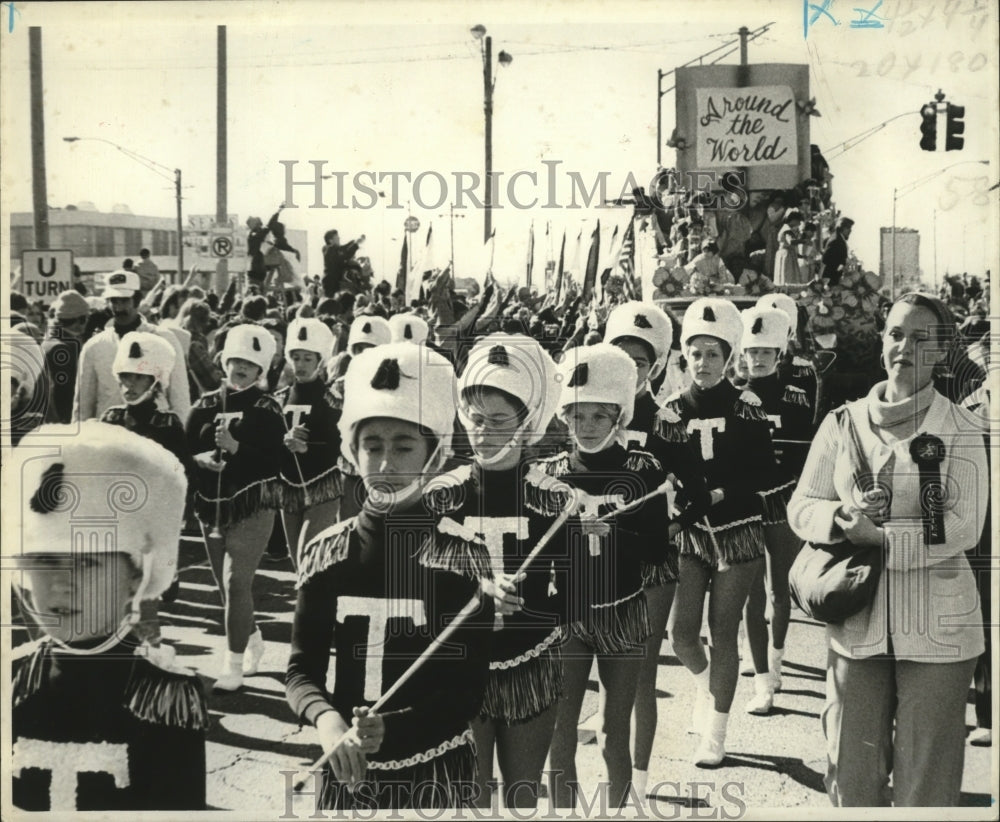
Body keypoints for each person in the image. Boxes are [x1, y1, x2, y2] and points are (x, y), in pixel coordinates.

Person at [788, 292, 988, 807]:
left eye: (921, 338)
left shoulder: (963, 427)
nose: (905, 347)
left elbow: (965, 526)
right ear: (883, 342)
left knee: (927, 784)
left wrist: (884, 539)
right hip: (857, 621)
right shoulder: (842, 423)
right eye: (896, 334)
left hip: (941, 630)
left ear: (943, 352)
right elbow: (802, 505)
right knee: (850, 777)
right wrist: (839, 519)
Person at [286, 343, 493, 810]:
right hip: (348, 769)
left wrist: (396, 726)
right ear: (351, 453)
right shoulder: (325, 553)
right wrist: (327, 722)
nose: (385, 465)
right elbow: (302, 670)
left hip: (435, 769)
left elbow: (467, 689)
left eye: (404, 447)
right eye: (372, 446)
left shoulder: (463, 555)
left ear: (435, 454)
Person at [10, 423, 207, 811]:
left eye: (87, 563)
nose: (63, 583)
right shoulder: (12, 681)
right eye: (47, 560)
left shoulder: (165, 697)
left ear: (135, 578)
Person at [539, 343, 673, 809]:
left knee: (614, 732)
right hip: (568, 614)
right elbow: (535, 559)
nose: (587, 427)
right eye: (577, 416)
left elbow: (658, 552)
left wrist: (618, 532)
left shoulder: (645, 471)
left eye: (599, 417)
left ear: (620, 417)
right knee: (560, 731)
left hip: (624, 611)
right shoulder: (547, 477)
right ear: (563, 417)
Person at [445, 333, 569, 810]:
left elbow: (574, 598)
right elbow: (419, 590)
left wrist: (534, 606)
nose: (484, 432)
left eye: (499, 421)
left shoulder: (555, 498)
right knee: (469, 800)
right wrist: (476, 596)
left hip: (529, 662)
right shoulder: (443, 494)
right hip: (461, 665)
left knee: (520, 799)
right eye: (475, 419)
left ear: (527, 424)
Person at [657, 297, 777, 767]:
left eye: (712, 353)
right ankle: (709, 689)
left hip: (737, 532)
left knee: (721, 633)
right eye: (695, 353)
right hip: (691, 533)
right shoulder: (670, 410)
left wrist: (721, 494)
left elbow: (763, 473)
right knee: (681, 634)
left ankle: (717, 732)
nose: (702, 363)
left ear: (728, 358)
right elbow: (661, 471)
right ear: (684, 355)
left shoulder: (746, 404)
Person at [603, 301, 712, 798]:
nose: (629, 369)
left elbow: (699, 489)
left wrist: (672, 526)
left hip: (650, 562)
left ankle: (640, 783)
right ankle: (609, 776)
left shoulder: (667, 422)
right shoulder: (585, 414)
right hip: (594, 561)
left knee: (641, 672)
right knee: (595, 672)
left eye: (640, 362)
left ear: (658, 367)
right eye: (619, 356)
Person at [185, 324, 286, 691]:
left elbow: (276, 461)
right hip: (210, 505)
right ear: (223, 362)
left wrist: (236, 448)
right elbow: (183, 448)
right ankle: (252, 636)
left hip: (252, 504)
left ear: (261, 369)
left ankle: (232, 666)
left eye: (249, 363)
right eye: (235, 361)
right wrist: (199, 459)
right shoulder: (206, 403)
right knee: (224, 588)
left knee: (236, 581)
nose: (241, 368)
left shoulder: (268, 408)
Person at [734, 307, 811, 715]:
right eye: (751, 351)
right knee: (750, 593)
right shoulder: (733, 396)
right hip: (746, 502)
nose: (758, 359)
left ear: (779, 353)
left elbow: (801, 454)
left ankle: (777, 661)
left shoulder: (796, 395)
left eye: (766, 351)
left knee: (780, 590)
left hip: (781, 498)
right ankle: (762, 682)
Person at [73, 270, 190, 423]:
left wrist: (181, 437)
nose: (118, 307)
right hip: (109, 436)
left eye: (124, 300)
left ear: (137, 300)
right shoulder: (95, 346)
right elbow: (82, 405)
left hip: (155, 433)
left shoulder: (164, 339)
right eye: (114, 301)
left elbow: (179, 395)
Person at [276, 318, 342, 567]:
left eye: (308, 359)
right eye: (297, 358)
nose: (301, 364)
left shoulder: (331, 399)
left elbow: (341, 446)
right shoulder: (279, 398)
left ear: (319, 361)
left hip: (323, 485)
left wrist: (308, 448)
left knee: (309, 555)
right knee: (297, 562)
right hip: (289, 486)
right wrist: (281, 442)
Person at [42, 290, 90, 424]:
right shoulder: (65, 348)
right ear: (80, 320)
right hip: (62, 420)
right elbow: (66, 393)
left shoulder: (48, 342)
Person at [772, 208, 804, 286]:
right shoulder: (787, 230)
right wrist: (803, 241)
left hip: (787, 253)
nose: (799, 223)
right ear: (793, 220)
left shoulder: (788, 229)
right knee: (787, 276)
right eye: (798, 221)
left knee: (786, 276)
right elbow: (791, 241)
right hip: (786, 254)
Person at [821, 217, 854, 287]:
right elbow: (827, 260)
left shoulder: (838, 238)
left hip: (832, 277)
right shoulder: (837, 240)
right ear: (842, 227)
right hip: (830, 278)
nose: (850, 231)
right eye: (848, 228)